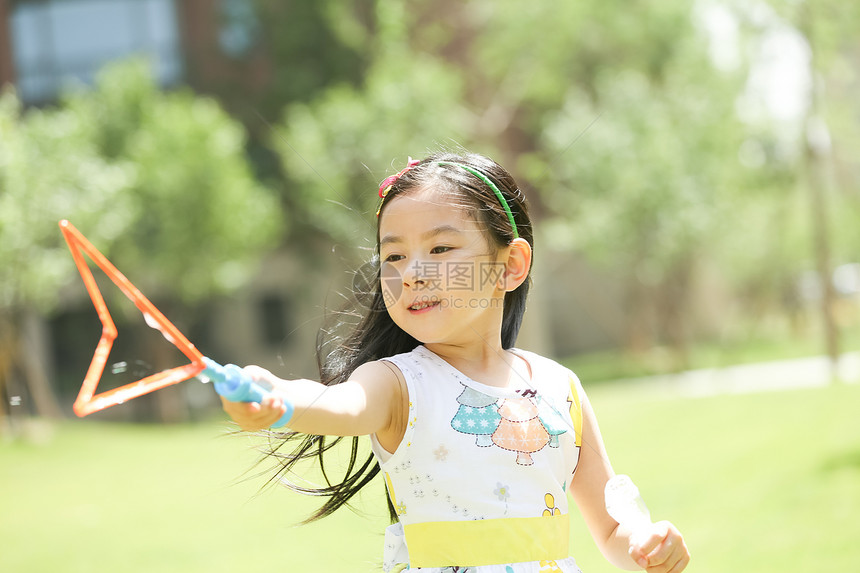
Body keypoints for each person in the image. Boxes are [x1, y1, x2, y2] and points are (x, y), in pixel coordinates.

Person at [221, 151, 690, 573]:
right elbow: (342, 405)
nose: (412, 273)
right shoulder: (398, 383)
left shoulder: (558, 386)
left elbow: (611, 530)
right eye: (394, 255)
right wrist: (278, 398)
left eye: (440, 249)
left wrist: (646, 545)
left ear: (510, 266)